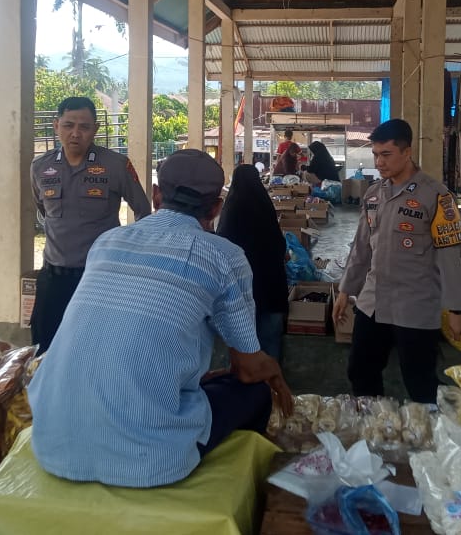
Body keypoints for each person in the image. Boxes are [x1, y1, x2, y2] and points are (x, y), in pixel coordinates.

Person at [29, 149, 294, 488]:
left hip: (52, 445)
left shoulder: (107, 242)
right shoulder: (224, 256)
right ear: (215, 208)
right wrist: (273, 372)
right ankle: (242, 488)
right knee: (255, 392)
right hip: (148, 462)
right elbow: (247, 367)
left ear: (156, 196)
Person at [332, 119, 461, 404]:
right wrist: (345, 290)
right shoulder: (373, 194)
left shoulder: (437, 196)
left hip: (415, 307)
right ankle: (376, 424)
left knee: (419, 382)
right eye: (375, 155)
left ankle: (428, 436)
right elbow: (361, 248)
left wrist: (455, 308)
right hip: (373, 303)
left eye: (386, 154)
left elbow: (449, 257)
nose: (379, 162)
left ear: (407, 152)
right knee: (360, 370)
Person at [30, 96, 152, 353]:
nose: (75, 133)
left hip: (100, 279)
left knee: (97, 350)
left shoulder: (115, 166)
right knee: (45, 349)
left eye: (84, 126)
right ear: (56, 125)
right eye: (68, 125)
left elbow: (143, 212)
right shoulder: (40, 167)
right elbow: (44, 211)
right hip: (53, 278)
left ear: (95, 129)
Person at [217, 164, 289, 359]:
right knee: (270, 343)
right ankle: (271, 386)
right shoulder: (264, 205)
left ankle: (245, 387)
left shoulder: (230, 209)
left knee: (242, 349)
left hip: (240, 291)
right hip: (271, 288)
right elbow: (280, 246)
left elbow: (221, 247)